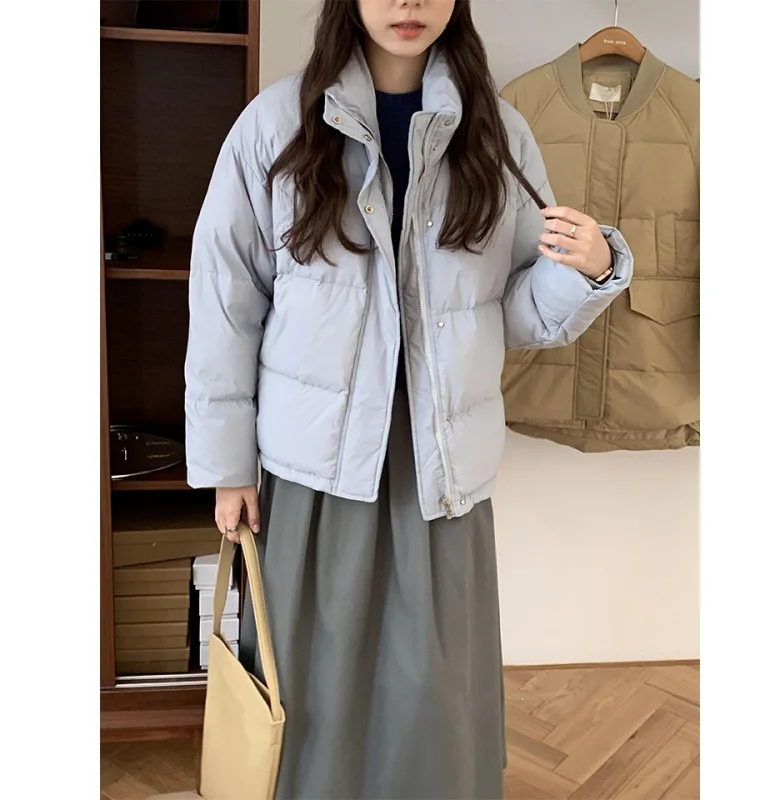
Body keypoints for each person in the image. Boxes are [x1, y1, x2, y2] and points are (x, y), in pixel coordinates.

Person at [184, 0, 633, 797]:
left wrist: (592, 269)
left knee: (434, 685)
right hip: (314, 467)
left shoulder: (499, 136)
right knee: (311, 679)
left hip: (439, 464)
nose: (409, 2)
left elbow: (516, 313)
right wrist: (226, 466)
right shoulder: (275, 125)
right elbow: (226, 304)